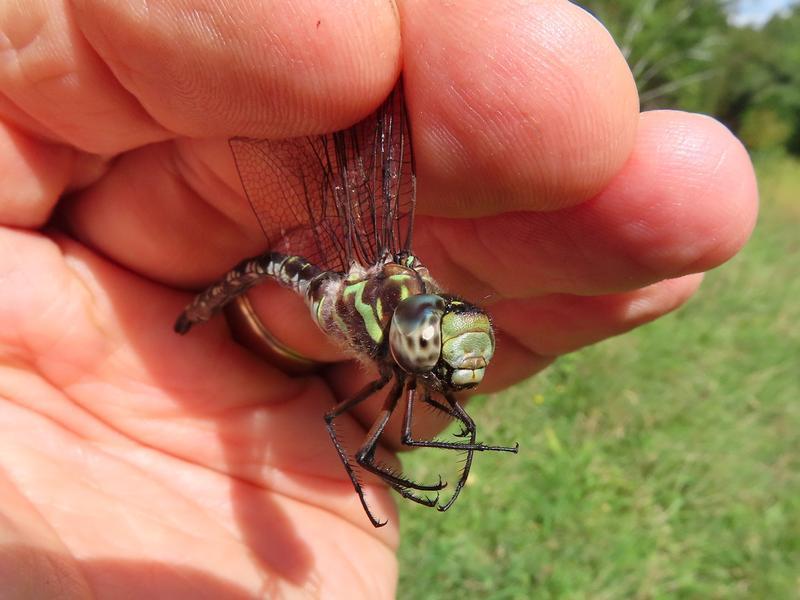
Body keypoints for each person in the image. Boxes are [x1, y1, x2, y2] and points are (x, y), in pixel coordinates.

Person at [0, 1, 757, 597]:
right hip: (303, 270)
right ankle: (193, 310)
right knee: (353, 427)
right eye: (441, 348)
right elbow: (349, 433)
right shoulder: (379, 321)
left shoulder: (414, 349)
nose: (452, 375)